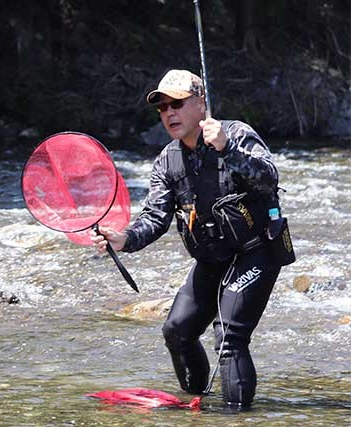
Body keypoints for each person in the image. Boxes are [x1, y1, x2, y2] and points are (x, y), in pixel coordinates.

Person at [91, 69, 283, 408]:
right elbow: (155, 217)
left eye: (177, 104)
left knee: (229, 337)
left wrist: (227, 148)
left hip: (257, 251)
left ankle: (237, 416)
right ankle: (197, 405)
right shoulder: (168, 160)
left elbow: (269, 178)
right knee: (176, 331)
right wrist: (124, 239)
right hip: (211, 259)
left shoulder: (236, 133)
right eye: (162, 108)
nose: (169, 113)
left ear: (200, 104)